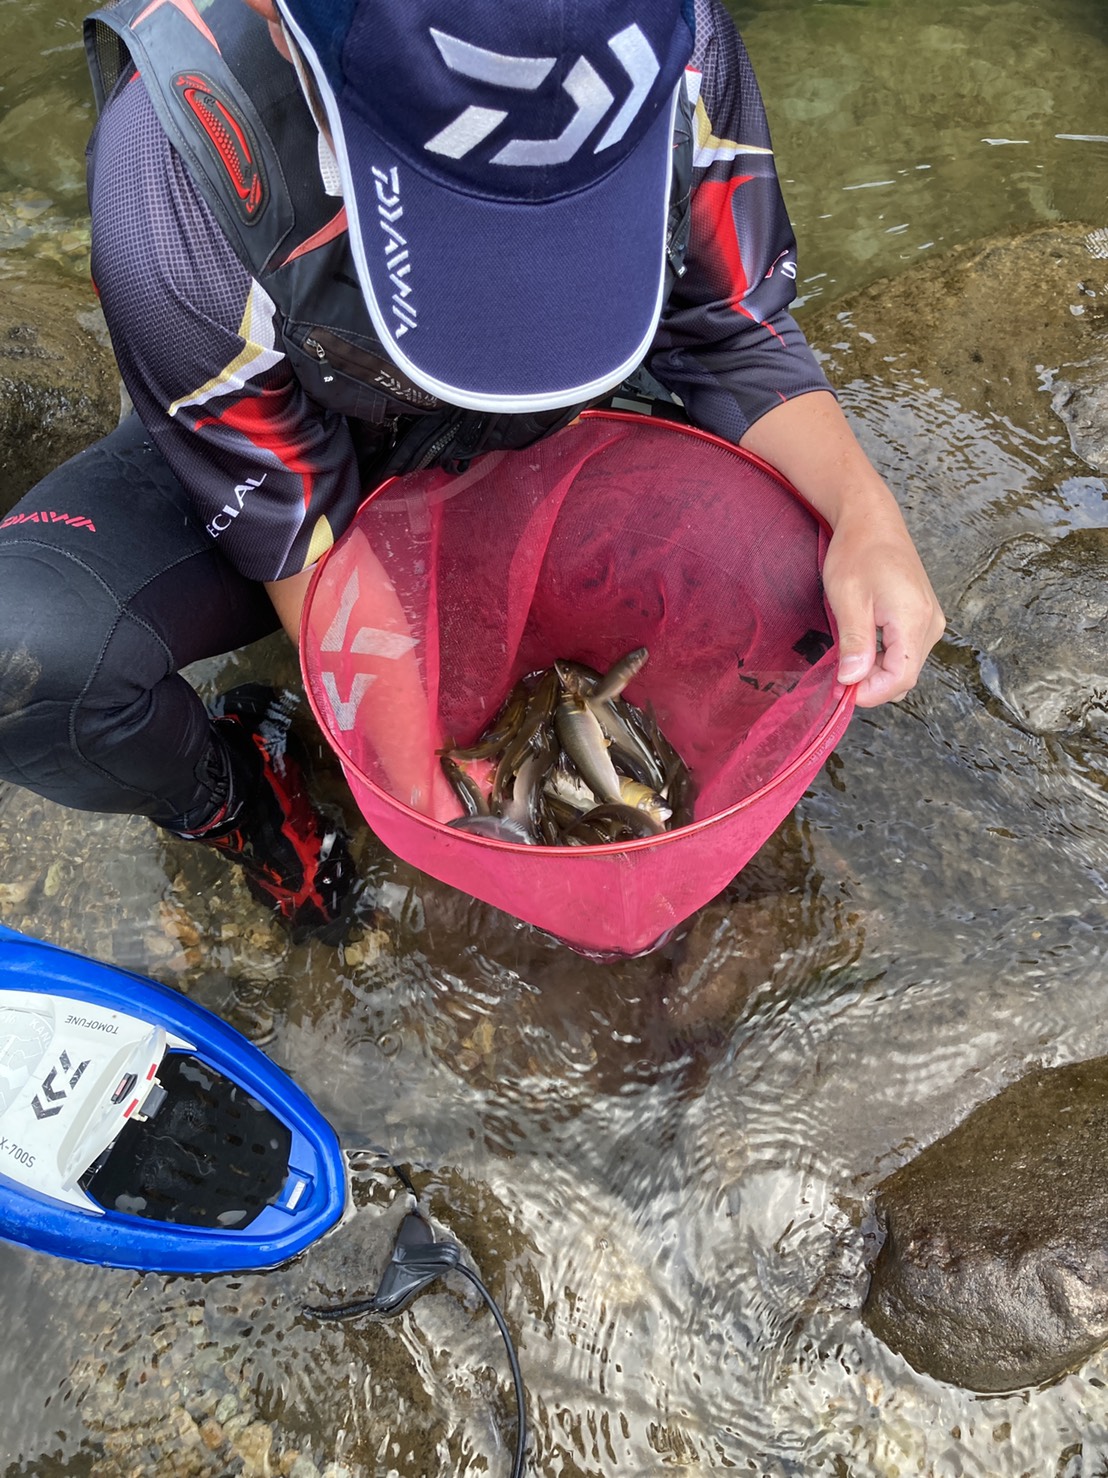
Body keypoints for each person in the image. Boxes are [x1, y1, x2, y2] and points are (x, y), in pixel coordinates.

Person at [0, 0, 944, 943]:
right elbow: (300, 525)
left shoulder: (673, 39)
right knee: (27, 658)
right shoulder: (176, 170)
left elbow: (732, 328)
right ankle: (245, 798)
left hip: (571, 435)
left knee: (809, 580)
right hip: (319, 447)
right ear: (291, 37)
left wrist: (868, 519)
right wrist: (432, 786)